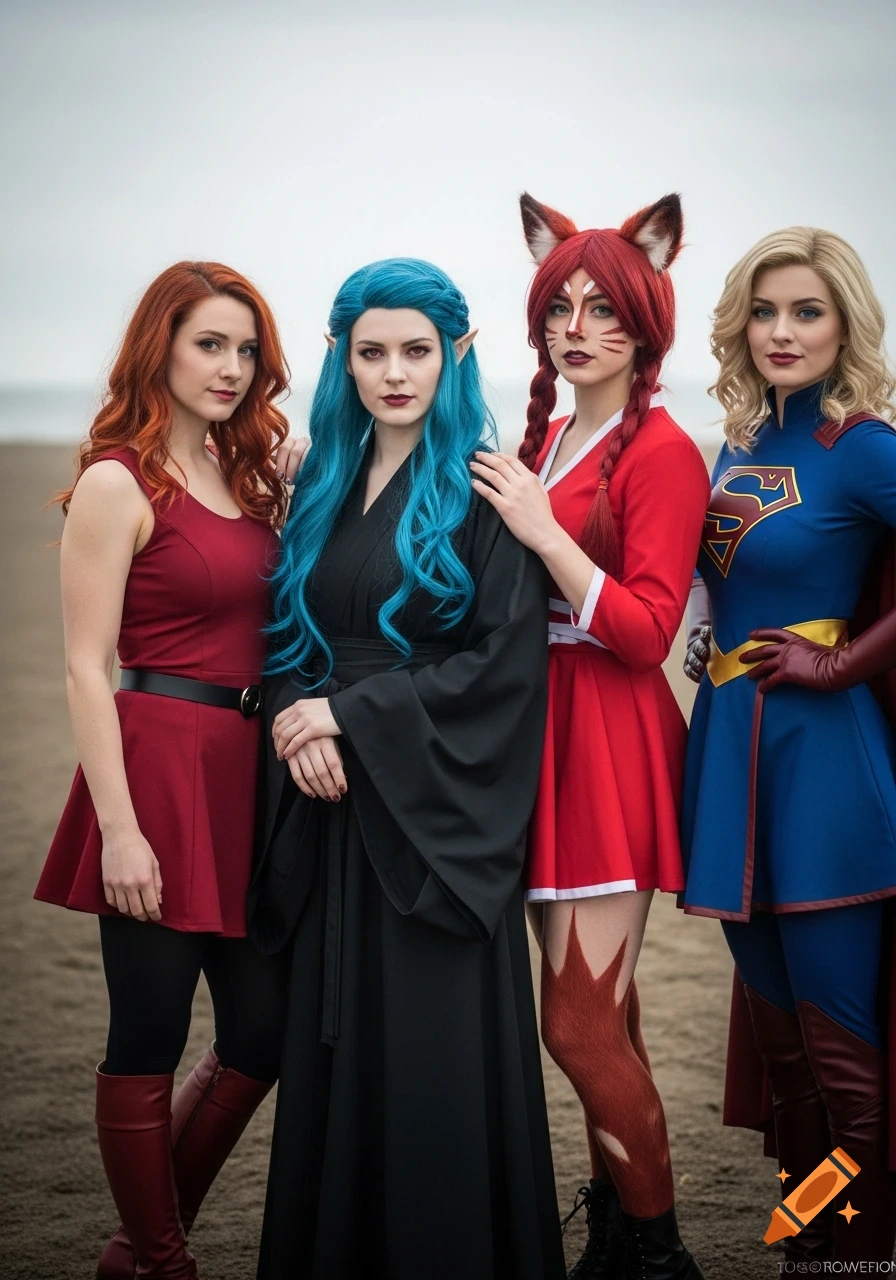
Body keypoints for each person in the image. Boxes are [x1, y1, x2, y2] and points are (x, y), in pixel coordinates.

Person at [248, 256, 565, 1280]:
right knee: (330, 1061)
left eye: (416, 351)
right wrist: (297, 718)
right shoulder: (320, 485)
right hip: (331, 802)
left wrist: (344, 713)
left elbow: (502, 668)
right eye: (371, 351)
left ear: (456, 355)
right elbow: (288, 626)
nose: (394, 372)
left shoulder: (485, 491)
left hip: (430, 818)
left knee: (432, 1067)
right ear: (342, 357)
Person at [34, 261, 307, 1279]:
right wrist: (122, 828)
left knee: (262, 1035)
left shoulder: (250, 476)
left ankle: (135, 1250)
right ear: (162, 344)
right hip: (156, 771)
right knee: (147, 1027)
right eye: (210, 343)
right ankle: (160, 1255)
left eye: (247, 349)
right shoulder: (117, 481)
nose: (233, 367)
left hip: (249, 775)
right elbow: (82, 666)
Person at [471, 194, 708, 1280]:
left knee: (571, 1026)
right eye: (557, 305)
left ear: (644, 318)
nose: (574, 326)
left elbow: (647, 630)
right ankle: (619, 1230)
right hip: (539, 730)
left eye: (601, 308)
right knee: (602, 1019)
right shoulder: (555, 430)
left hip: (605, 742)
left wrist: (537, 530)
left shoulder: (659, 450)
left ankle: (653, 1255)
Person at [681, 226, 896, 1264]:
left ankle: (853, 1246)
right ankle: (809, 1237)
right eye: (763, 310)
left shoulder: (861, 446)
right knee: (784, 1054)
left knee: (842, 1052)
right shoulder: (735, 442)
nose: (779, 330)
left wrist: (840, 661)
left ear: (843, 320)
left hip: (824, 772)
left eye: (805, 310)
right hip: (729, 757)